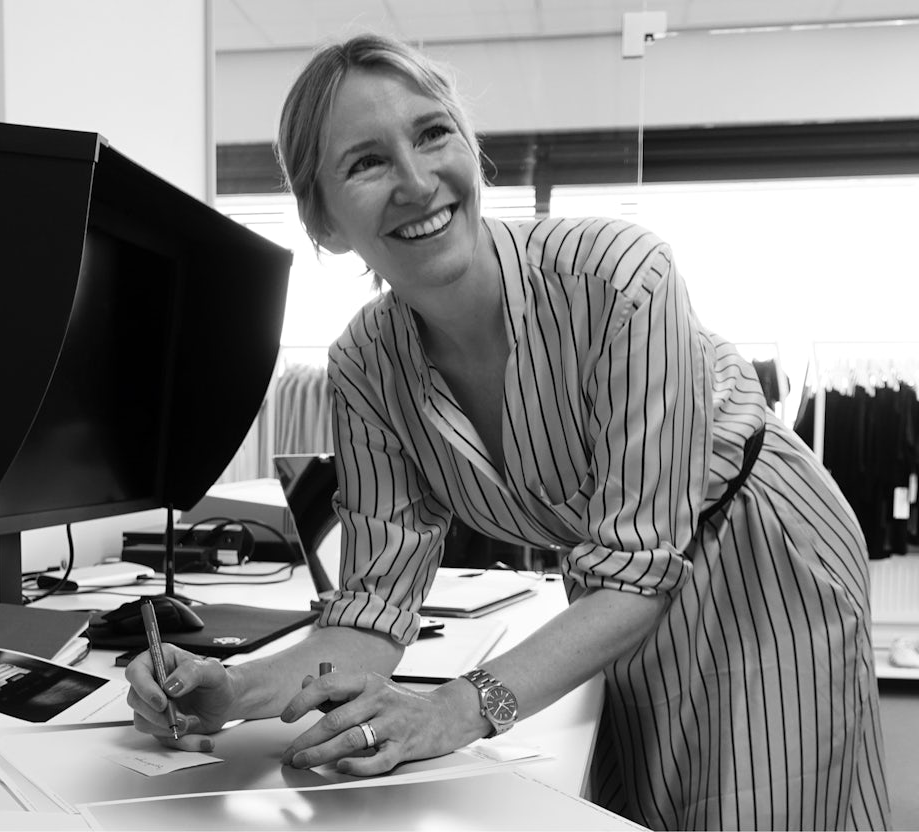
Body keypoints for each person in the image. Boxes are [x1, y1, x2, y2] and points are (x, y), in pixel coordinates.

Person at [126, 33, 891, 831]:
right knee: (645, 804)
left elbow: (638, 569)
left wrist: (461, 706)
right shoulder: (364, 363)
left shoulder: (624, 277)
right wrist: (233, 689)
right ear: (323, 222)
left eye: (432, 134)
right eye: (367, 162)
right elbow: (375, 609)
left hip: (762, 547)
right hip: (617, 590)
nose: (418, 183)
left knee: (758, 805)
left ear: (470, 148)